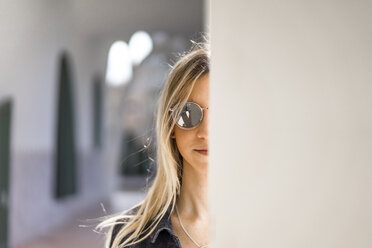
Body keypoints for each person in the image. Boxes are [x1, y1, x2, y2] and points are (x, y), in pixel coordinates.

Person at [97, 43, 210, 248]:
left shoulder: (268, 224)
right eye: (188, 113)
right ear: (170, 126)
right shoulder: (131, 237)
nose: (205, 133)